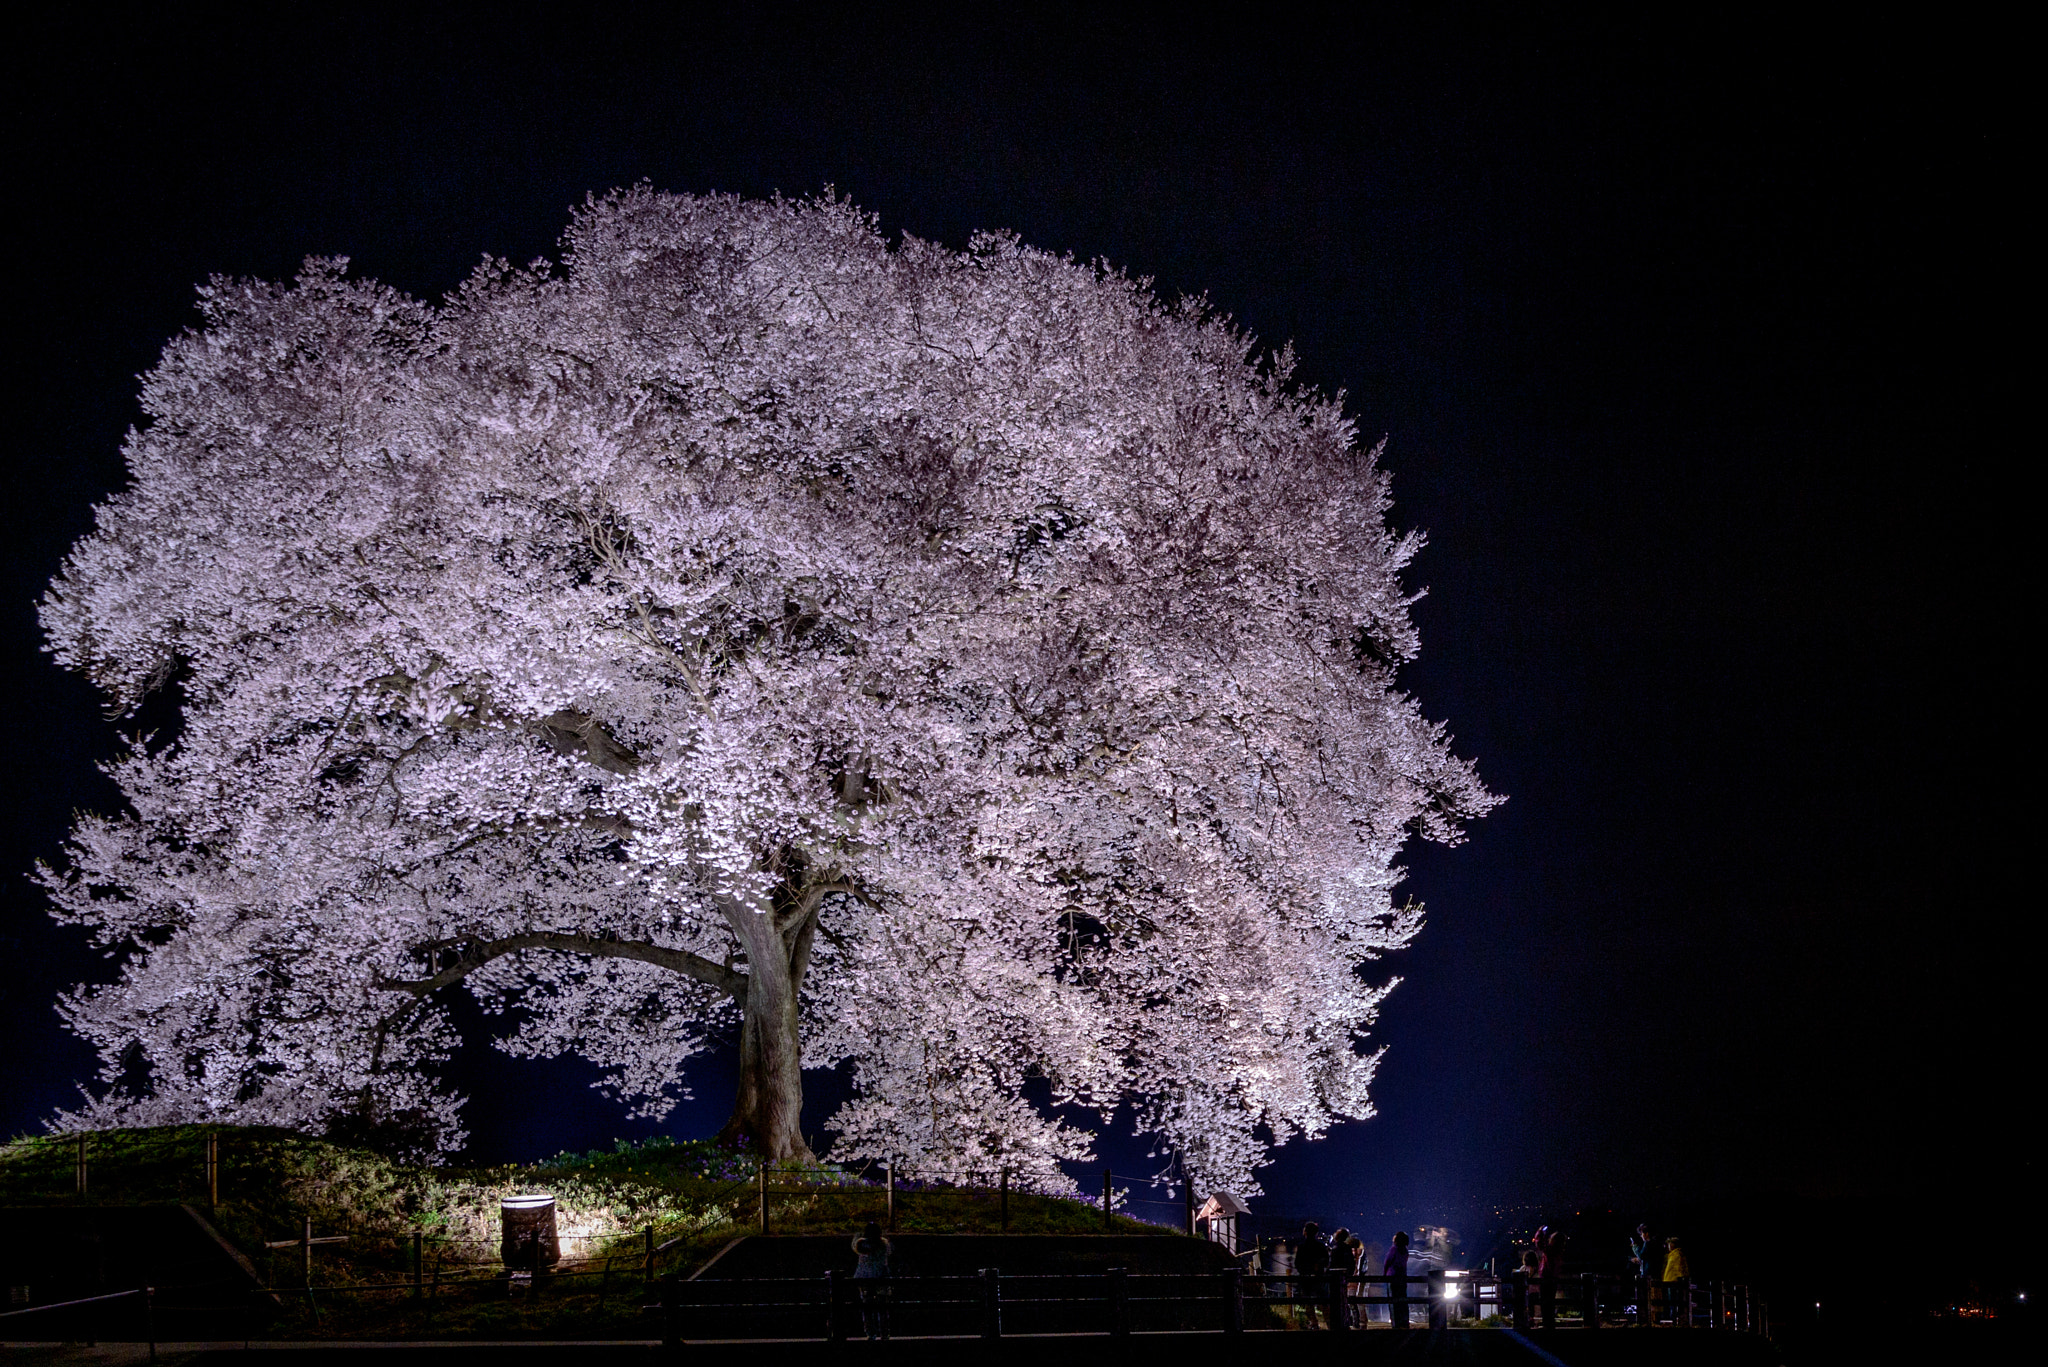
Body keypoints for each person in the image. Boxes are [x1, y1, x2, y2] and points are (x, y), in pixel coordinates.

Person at [851, 1221, 892, 1339]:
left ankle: (871, 1333)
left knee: (868, 1306)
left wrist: (857, 1238)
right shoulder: (884, 1244)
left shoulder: (862, 1244)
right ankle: (883, 1332)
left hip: (865, 1277)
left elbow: (859, 1248)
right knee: (882, 1307)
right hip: (880, 1276)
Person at [1294, 1222, 1330, 1328]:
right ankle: (1329, 1324)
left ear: (1305, 1232)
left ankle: (1314, 1323)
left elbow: (1298, 1263)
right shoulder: (1321, 1246)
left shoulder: (1302, 1246)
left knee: (1308, 1301)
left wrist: (1305, 1270)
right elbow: (1327, 1261)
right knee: (1324, 1302)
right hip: (1319, 1277)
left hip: (1306, 1278)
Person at [1383, 1229, 1411, 1330]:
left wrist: (1384, 1275)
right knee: (1403, 1300)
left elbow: (1387, 1262)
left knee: (1393, 1301)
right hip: (1402, 1277)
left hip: (1392, 1277)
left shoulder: (1394, 1249)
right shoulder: (1405, 1251)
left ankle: (1396, 1324)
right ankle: (1404, 1322)